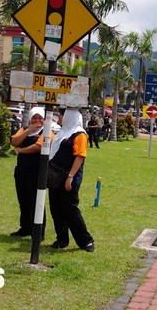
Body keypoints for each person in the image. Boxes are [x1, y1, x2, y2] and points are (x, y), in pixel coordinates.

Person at [48, 107, 95, 252]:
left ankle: (86, 241)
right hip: (55, 176)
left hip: (69, 177)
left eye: (61, 116)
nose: (59, 119)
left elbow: (80, 156)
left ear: (68, 117)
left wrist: (70, 177)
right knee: (56, 209)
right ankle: (61, 239)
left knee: (70, 210)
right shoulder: (62, 132)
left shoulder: (79, 134)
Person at [9, 107, 46, 238]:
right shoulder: (24, 129)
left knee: (36, 202)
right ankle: (25, 227)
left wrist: (20, 150)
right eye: (34, 118)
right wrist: (29, 130)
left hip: (37, 172)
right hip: (21, 170)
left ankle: (38, 232)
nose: (37, 121)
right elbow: (14, 141)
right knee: (23, 200)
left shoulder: (46, 131)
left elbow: (39, 147)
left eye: (40, 118)